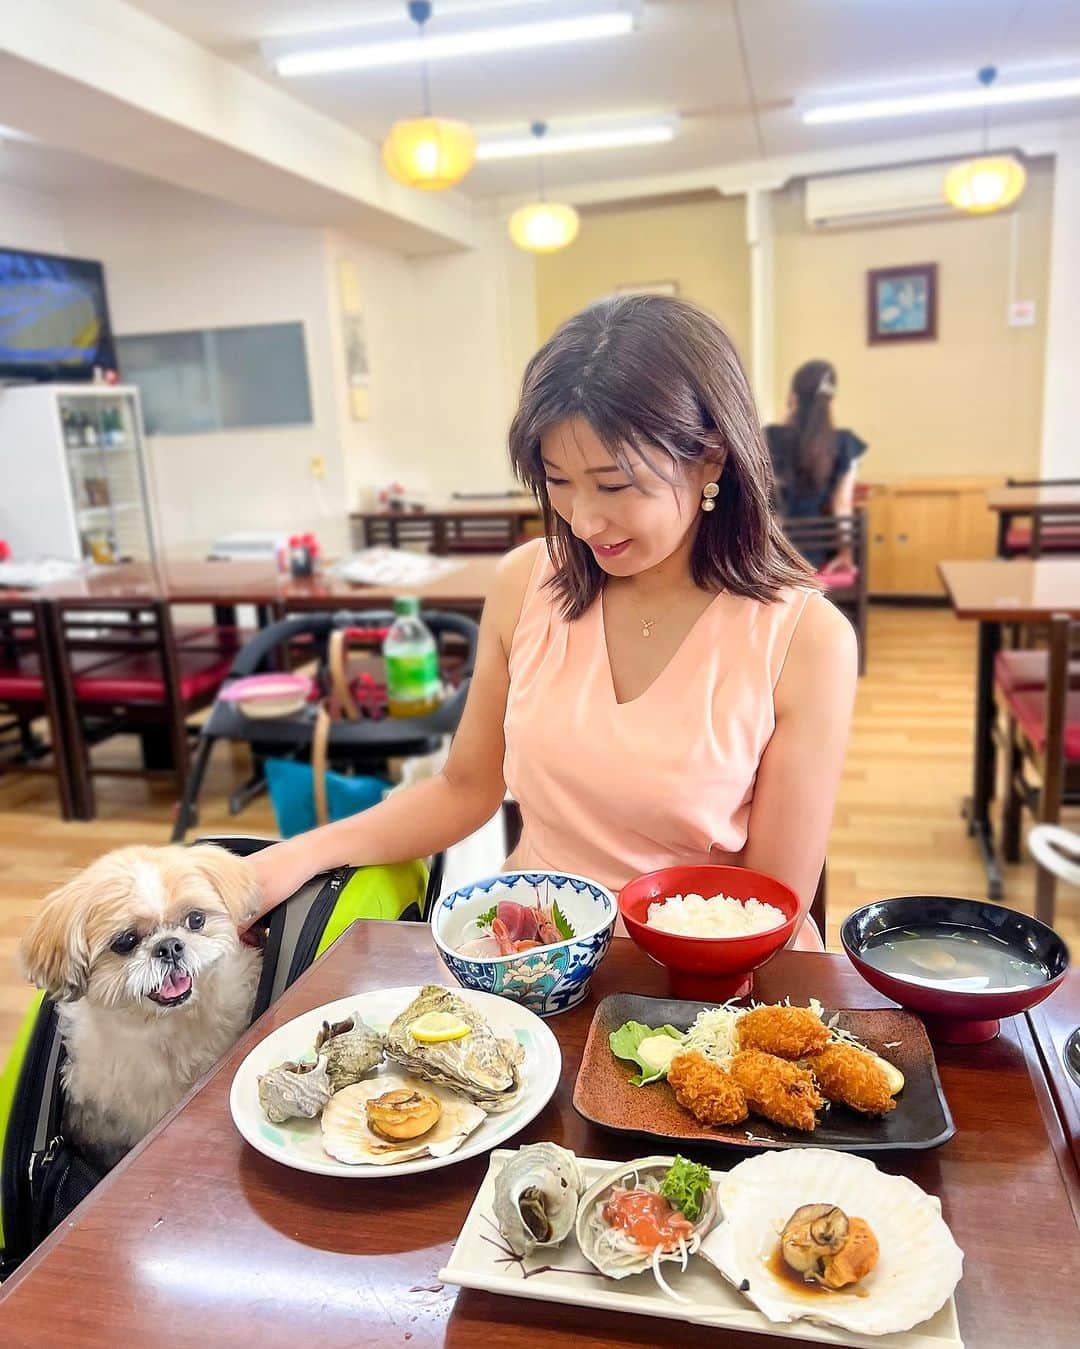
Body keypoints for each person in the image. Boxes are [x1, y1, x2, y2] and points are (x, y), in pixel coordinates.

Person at [250, 298, 858, 950]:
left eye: (615, 484)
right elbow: (463, 788)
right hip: (531, 960)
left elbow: (768, 909)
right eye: (558, 480)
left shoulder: (805, 640)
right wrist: (294, 856)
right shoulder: (525, 583)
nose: (583, 519)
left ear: (710, 457)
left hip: (702, 983)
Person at [765, 360, 867, 572]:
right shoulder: (845, 443)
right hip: (814, 558)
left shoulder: (769, 437)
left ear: (793, 398)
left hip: (771, 556)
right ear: (831, 399)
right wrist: (845, 554)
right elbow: (842, 504)